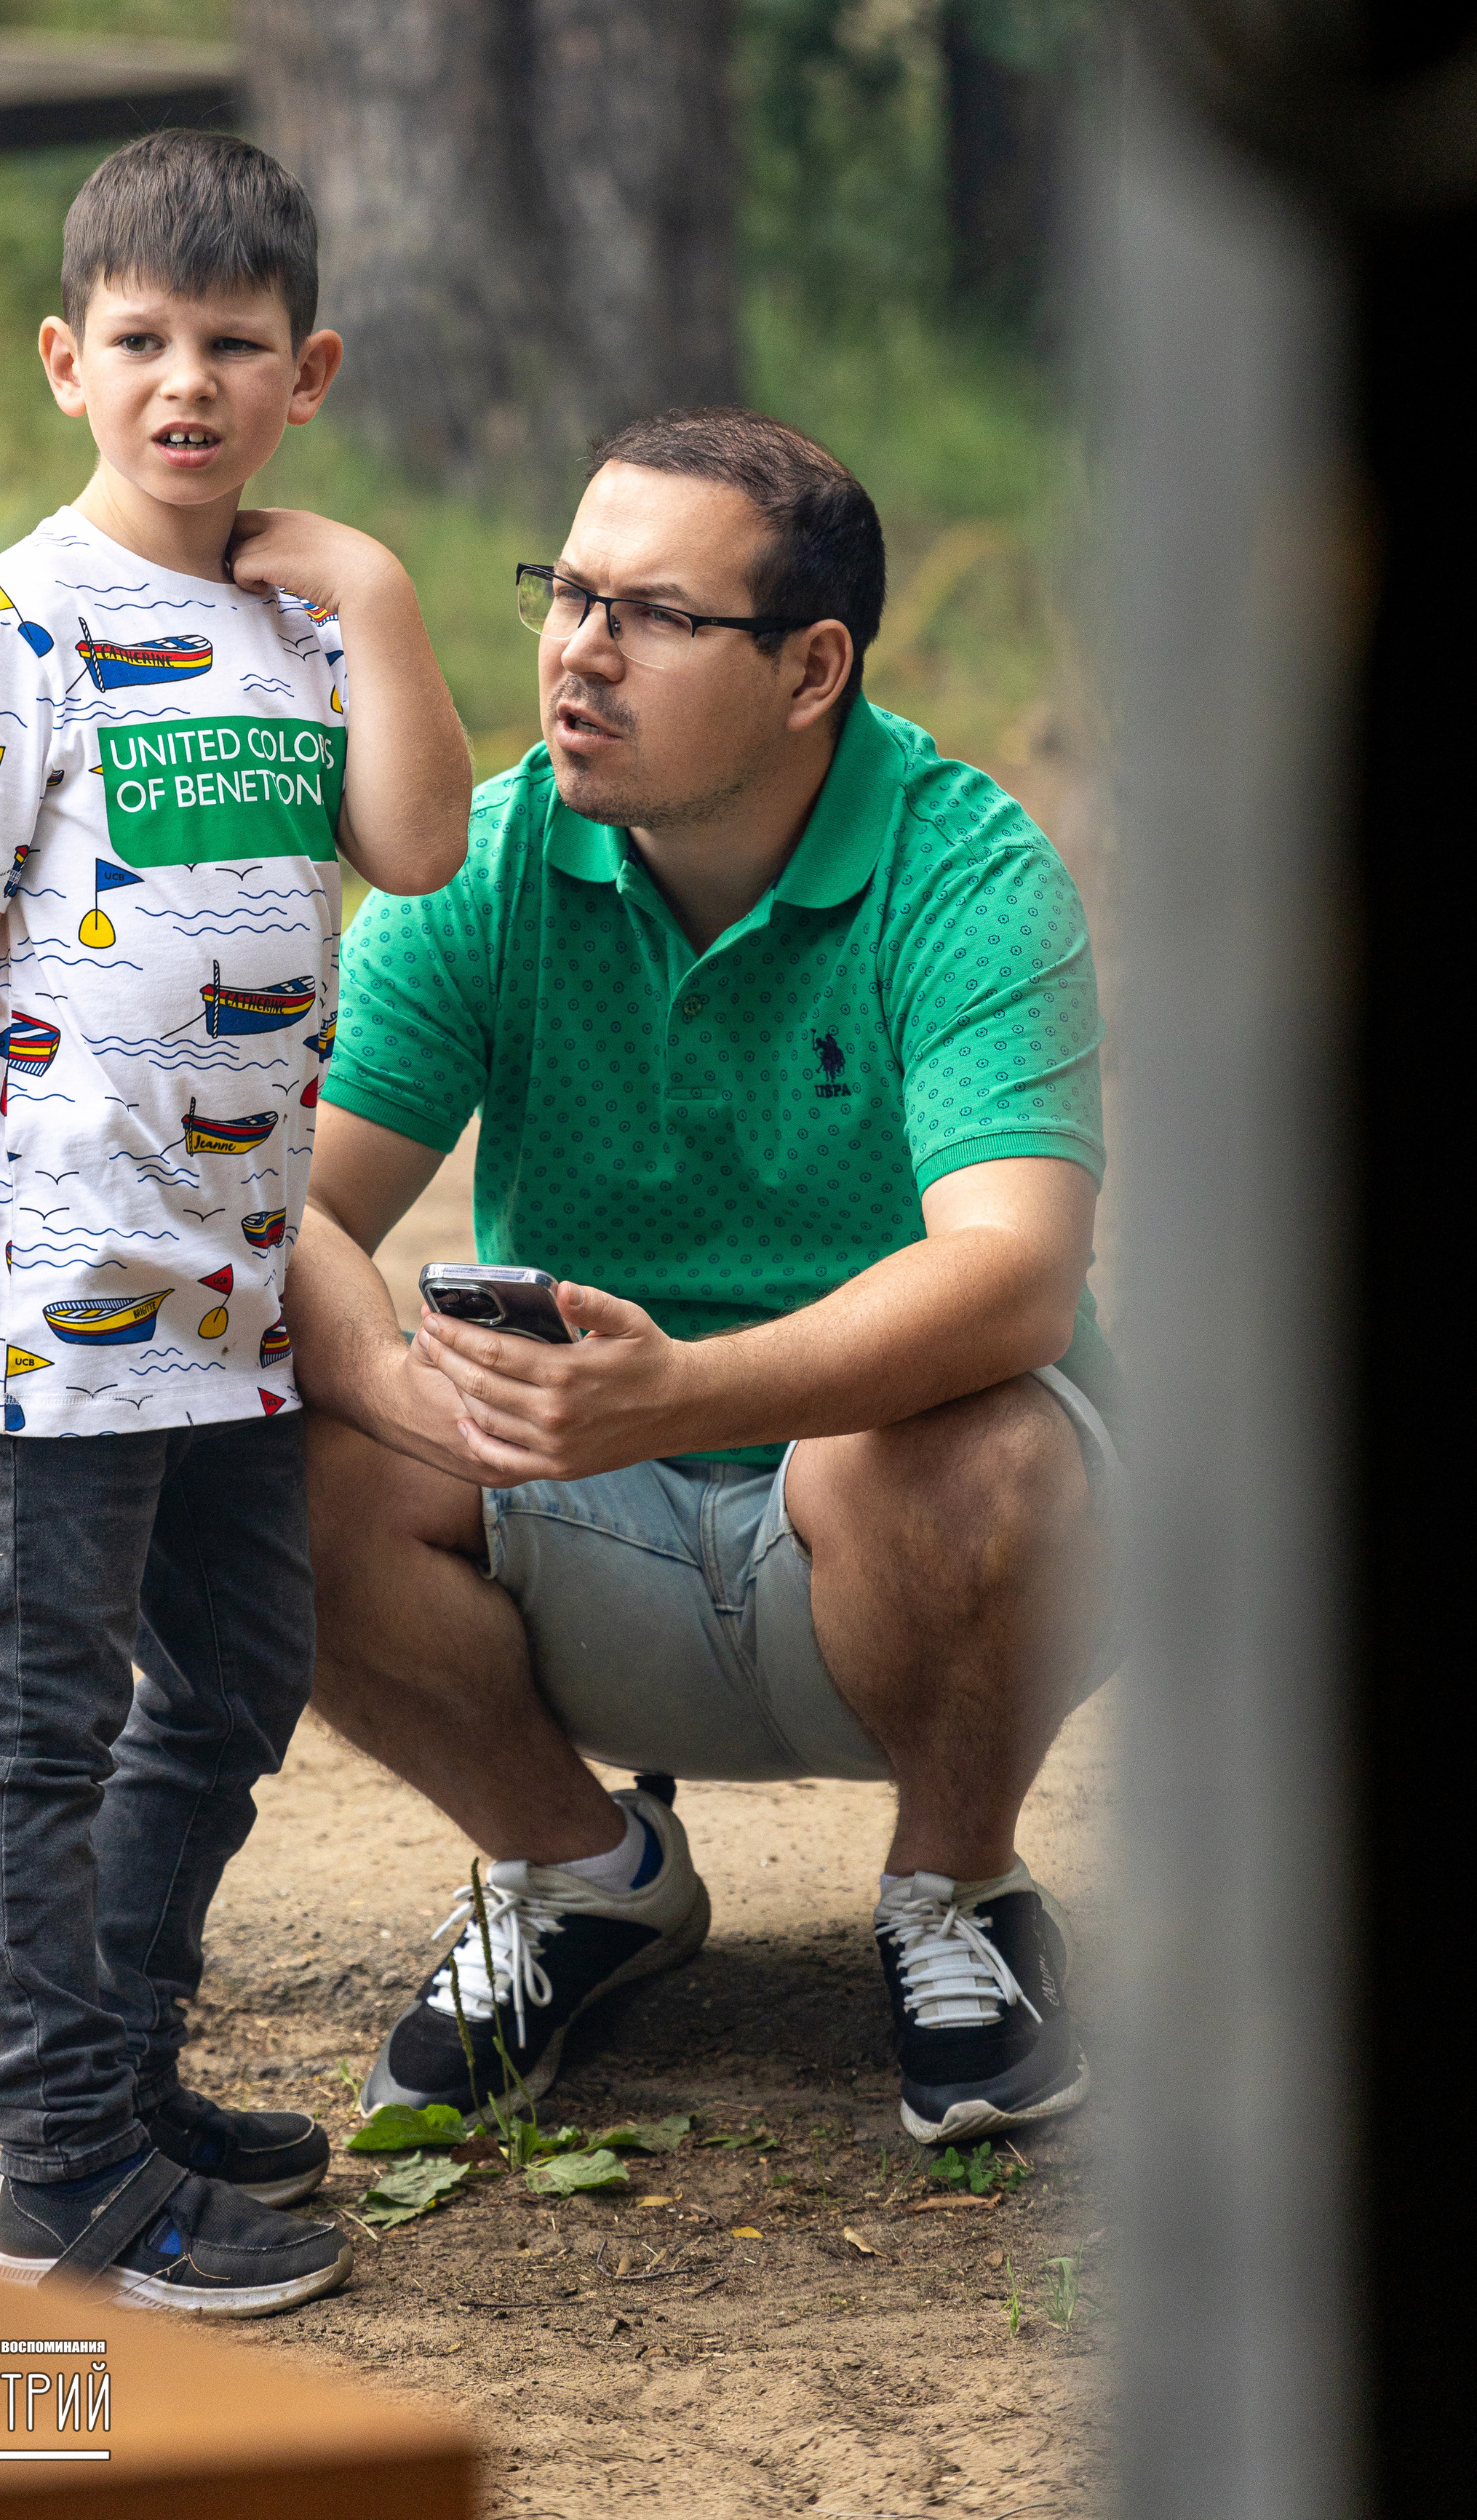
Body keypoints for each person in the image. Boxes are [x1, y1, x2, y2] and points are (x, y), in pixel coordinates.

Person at [287, 406, 1120, 2149]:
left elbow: (1014, 1276)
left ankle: (955, 1894)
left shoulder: (963, 875)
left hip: (896, 1546)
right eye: (566, 596)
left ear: (812, 668)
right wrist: (393, 1389)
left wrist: (684, 1389)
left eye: (654, 616)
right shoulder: (489, 861)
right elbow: (291, 1212)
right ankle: (582, 1874)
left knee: (979, 1435)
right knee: (232, 1420)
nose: (579, 656)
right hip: (585, 1512)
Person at [0, 129, 471, 2311]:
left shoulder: (308, 621)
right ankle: (62, 2174)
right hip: (44, 1276)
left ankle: (120, 2064)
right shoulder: (13, 622)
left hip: (236, 1285)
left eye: (231, 345)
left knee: (233, 1678)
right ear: (64, 361)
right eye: (140, 341)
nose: (184, 382)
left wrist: (377, 597)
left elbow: (415, 842)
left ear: (307, 372)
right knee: (38, 1709)